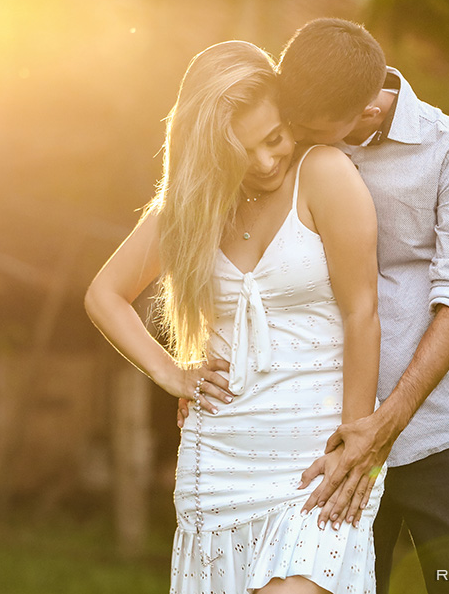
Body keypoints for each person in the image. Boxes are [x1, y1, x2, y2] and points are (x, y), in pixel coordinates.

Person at [85, 39, 385, 594]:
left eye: (274, 138)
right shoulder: (193, 206)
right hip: (218, 462)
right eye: (242, 152)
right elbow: (105, 294)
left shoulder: (323, 173)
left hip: (318, 462)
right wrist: (173, 372)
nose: (267, 161)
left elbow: (362, 313)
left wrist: (356, 444)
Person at [275, 18, 449, 594]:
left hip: (440, 433)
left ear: (369, 114)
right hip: (322, 439)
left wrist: (385, 424)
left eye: (312, 129)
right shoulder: (290, 144)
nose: (294, 137)